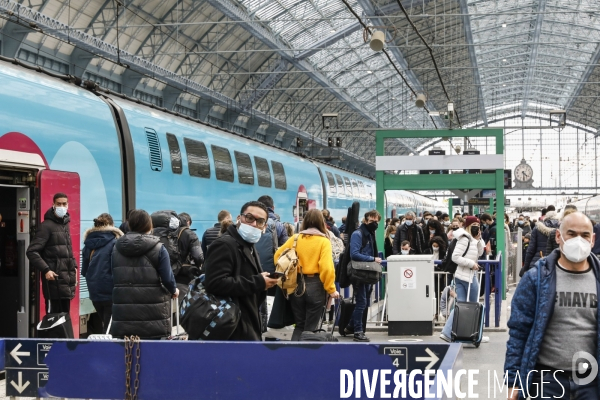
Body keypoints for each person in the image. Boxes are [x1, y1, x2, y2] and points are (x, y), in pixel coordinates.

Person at [505, 212, 600, 399]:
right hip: (547, 380)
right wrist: (513, 381)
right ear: (558, 236)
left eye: (585, 235)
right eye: (571, 234)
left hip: (591, 382)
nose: (578, 240)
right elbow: (518, 332)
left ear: (593, 240)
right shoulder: (536, 279)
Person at [204, 201, 279, 341]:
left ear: (265, 226)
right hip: (230, 328)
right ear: (239, 218)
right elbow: (214, 283)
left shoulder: (248, 245)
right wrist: (258, 282)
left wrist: (261, 279)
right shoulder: (224, 244)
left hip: (244, 323)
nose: (254, 224)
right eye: (249, 218)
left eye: (260, 221)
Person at [110, 209, 179, 339]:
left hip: (124, 310)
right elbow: (167, 279)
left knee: (127, 353)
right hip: (153, 314)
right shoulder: (159, 248)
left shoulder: (116, 248)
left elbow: (113, 275)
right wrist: (174, 290)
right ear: (149, 225)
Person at [274, 209, 340, 341]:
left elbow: (277, 257)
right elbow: (326, 267)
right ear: (321, 222)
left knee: (299, 325)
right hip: (315, 285)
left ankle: (294, 356)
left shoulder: (295, 238)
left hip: (296, 284)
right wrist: (331, 289)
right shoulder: (323, 241)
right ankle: (307, 358)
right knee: (311, 328)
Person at [27, 192, 77, 314]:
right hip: (54, 284)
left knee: (63, 320)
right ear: (53, 205)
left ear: (68, 205)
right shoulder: (46, 226)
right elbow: (32, 251)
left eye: (64, 204)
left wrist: (74, 266)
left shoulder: (65, 225)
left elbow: (66, 251)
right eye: (58, 204)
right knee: (53, 321)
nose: (61, 206)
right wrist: (46, 270)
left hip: (66, 283)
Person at [440, 216, 487, 343]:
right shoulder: (464, 238)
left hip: (463, 276)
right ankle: (474, 334)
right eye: (475, 226)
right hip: (467, 277)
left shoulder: (472, 239)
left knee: (460, 305)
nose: (477, 229)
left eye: (479, 227)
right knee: (473, 305)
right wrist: (471, 264)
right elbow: (455, 257)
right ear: (469, 226)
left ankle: (447, 333)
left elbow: (481, 252)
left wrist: (479, 239)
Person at [81, 213, 123, 333]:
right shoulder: (114, 243)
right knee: (110, 327)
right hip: (110, 291)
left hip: (94, 291)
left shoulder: (88, 244)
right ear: (112, 226)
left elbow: (84, 271)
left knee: (105, 322)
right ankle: (108, 350)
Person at [345, 209, 382, 342]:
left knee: (364, 302)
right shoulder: (358, 234)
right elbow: (354, 254)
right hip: (359, 273)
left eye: (376, 221)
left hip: (366, 273)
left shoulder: (369, 234)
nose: (374, 223)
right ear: (365, 220)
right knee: (361, 302)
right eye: (371, 221)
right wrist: (372, 259)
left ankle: (350, 326)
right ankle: (358, 331)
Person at [522, 209, 560, 276]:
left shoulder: (537, 228)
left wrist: (525, 267)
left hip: (537, 263)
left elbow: (530, 250)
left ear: (545, 217)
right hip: (556, 265)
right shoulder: (561, 230)